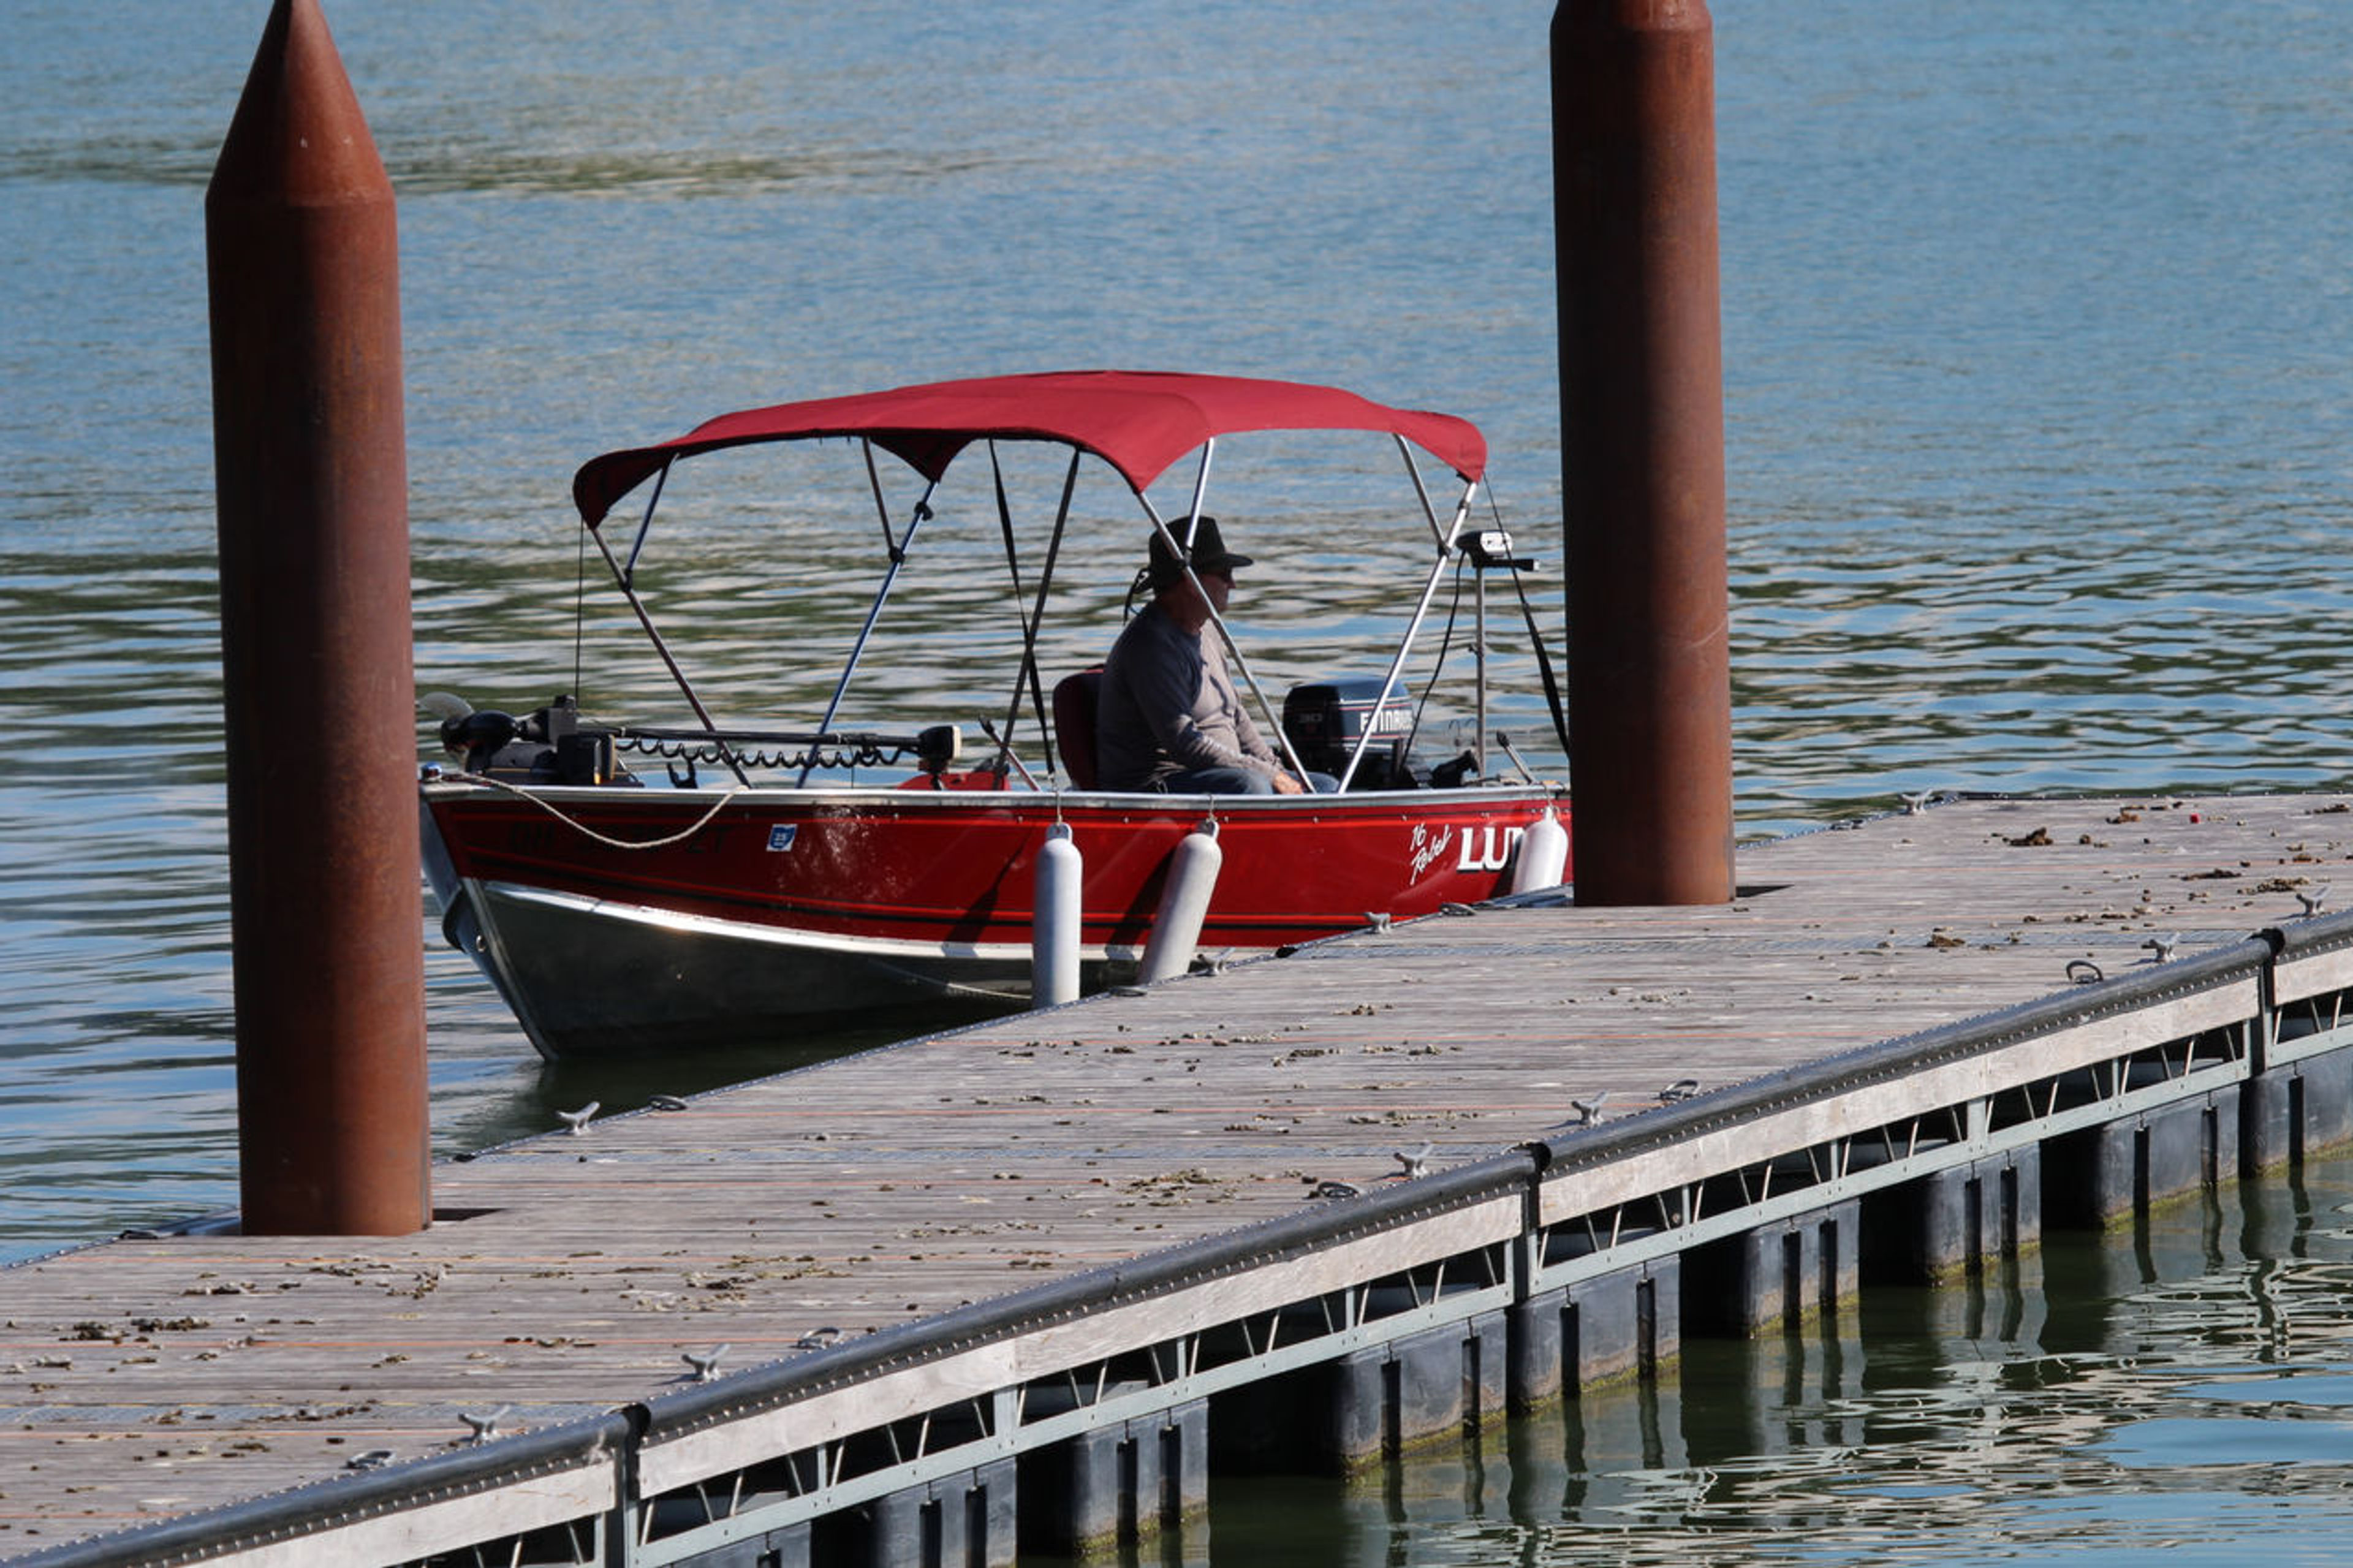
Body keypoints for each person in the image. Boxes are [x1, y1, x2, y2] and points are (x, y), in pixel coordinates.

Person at [1094, 518, 1335, 795]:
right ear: (1191, 581)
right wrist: (1266, 775)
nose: (1233, 585)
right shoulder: (1150, 646)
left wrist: (1276, 768)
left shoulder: (1207, 630)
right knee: (1252, 786)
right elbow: (1185, 744)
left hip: (1220, 774)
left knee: (1325, 786)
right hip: (1160, 783)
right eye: (1224, 574)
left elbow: (1236, 715)